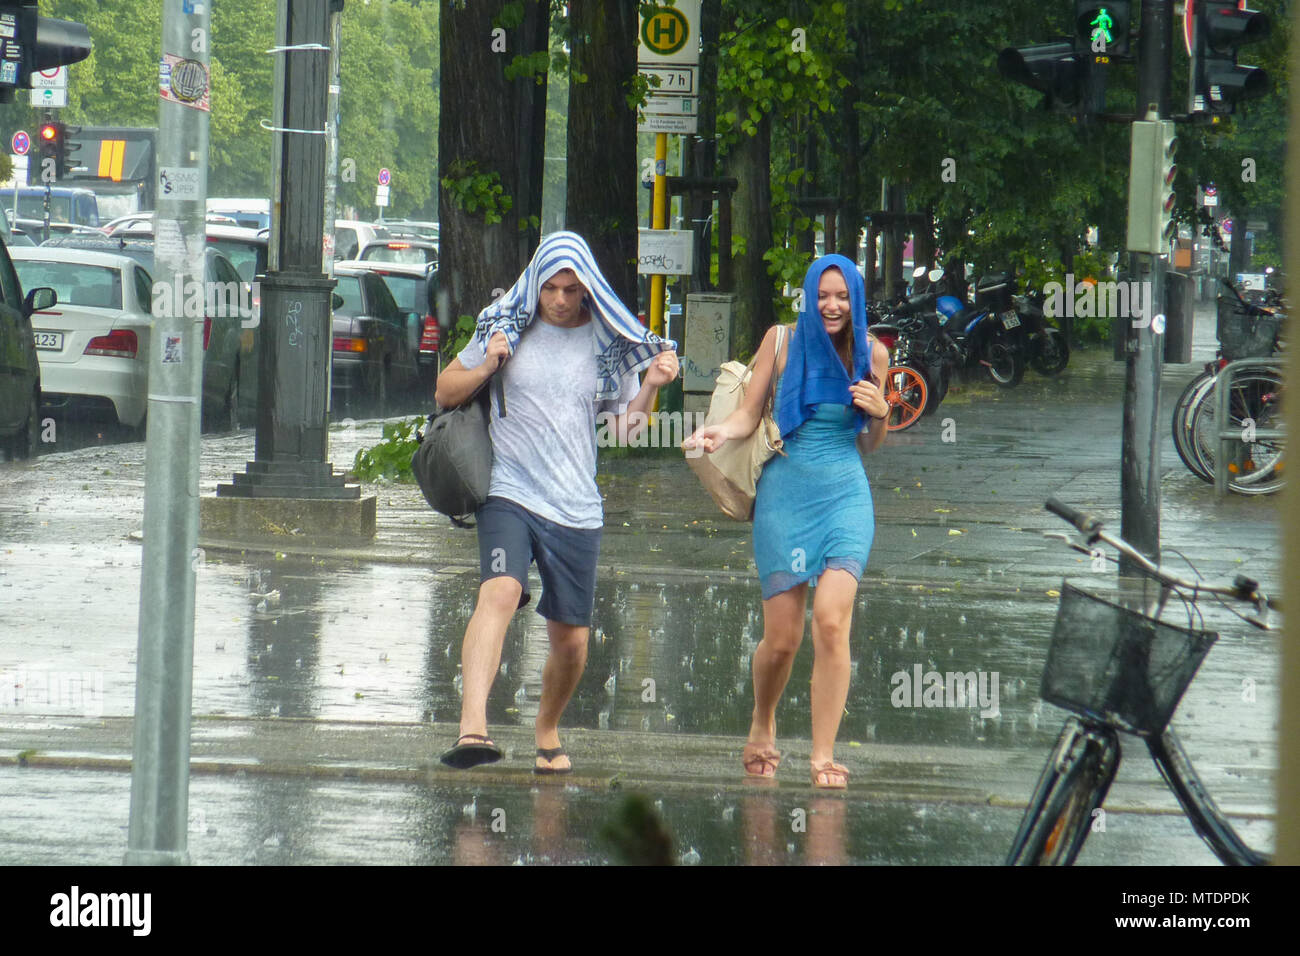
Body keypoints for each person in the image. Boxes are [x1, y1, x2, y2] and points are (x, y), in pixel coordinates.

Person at [434, 231, 679, 774]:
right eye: (550, 287)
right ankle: (472, 728)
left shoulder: (605, 341)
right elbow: (444, 390)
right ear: (535, 285)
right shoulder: (504, 325)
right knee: (500, 591)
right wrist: (487, 365)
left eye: (571, 289)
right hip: (509, 490)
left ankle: (546, 727)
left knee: (571, 643)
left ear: (587, 287)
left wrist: (652, 386)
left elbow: (625, 429)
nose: (561, 300)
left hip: (574, 505)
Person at [684, 254, 889, 789]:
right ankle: (763, 720)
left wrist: (881, 412)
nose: (832, 305)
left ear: (857, 300)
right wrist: (718, 434)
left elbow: (869, 443)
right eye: (823, 294)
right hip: (785, 494)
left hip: (845, 494)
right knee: (782, 639)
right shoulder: (780, 341)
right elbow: (749, 413)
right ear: (808, 295)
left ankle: (823, 754)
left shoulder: (873, 353)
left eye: (842, 295)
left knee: (831, 619)